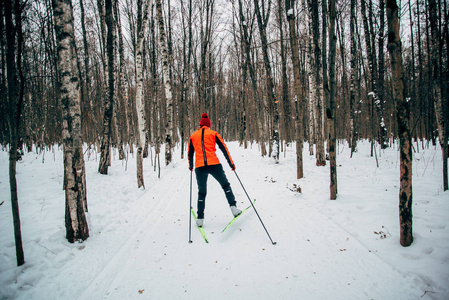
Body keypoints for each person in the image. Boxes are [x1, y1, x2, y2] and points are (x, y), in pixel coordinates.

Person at [188, 113, 241, 227]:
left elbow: (190, 153)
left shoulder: (193, 136)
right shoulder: (213, 134)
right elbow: (224, 148)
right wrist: (231, 163)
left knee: (202, 192)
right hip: (214, 165)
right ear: (208, 125)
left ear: (200, 124)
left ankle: (200, 218)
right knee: (225, 185)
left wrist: (191, 165)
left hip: (199, 167)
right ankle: (234, 208)